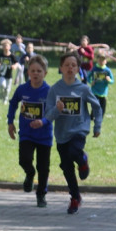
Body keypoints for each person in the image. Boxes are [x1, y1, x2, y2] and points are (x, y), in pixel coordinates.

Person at [33, 51, 101, 215]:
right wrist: (56, 110)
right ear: (61, 68)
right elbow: (49, 112)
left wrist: (97, 126)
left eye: (73, 65)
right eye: (67, 65)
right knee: (66, 167)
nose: (70, 68)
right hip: (61, 133)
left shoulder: (83, 89)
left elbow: (97, 106)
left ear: (78, 69)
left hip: (79, 129)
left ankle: (83, 160)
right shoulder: (55, 89)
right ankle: (75, 197)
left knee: (74, 151)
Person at [7, 55, 52, 207]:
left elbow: (53, 113)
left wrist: (43, 121)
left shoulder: (49, 91)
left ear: (45, 73)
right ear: (28, 72)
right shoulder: (22, 89)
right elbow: (13, 103)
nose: (35, 73)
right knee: (24, 159)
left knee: (43, 167)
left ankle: (41, 195)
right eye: (32, 70)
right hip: (26, 133)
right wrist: (10, 122)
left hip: (44, 135)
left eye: (39, 71)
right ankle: (29, 173)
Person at [89, 51, 113, 123]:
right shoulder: (94, 69)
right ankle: (92, 115)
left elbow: (112, 81)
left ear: (106, 61)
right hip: (95, 90)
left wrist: (109, 80)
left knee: (103, 106)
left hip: (103, 91)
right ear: (97, 60)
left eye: (103, 60)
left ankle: (100, 118)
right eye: (100, 60)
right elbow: (88, 77)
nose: (101, 61)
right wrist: (91, 82)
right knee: (95, 104)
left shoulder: (107, 70)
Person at [0, 38, 19, 103]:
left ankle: (5, 99)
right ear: (2, 47)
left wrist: (14, 66)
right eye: (4, 46)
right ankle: (1, 93)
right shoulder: (0, 55)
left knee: (7, 89)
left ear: (10, 47)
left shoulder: (12, 56)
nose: (5, 47)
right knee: (2, 85)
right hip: (1, 74)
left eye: (7, 45)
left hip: (9, 75)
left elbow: (16, 63)